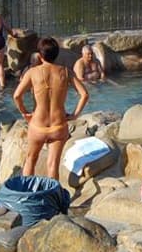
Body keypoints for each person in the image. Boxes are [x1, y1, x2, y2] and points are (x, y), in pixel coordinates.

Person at [13, 37, 89, 179]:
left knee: (30, 160)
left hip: (38, 126)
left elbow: (17, 96)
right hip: (58, 126)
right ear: (57, 54)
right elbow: (84, 94)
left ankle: (28, 196)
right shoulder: (66, 72)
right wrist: (75, 115)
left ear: (40, 56)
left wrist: (24, 113)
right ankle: (53, 198)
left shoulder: (32, 72)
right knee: (53, 164)